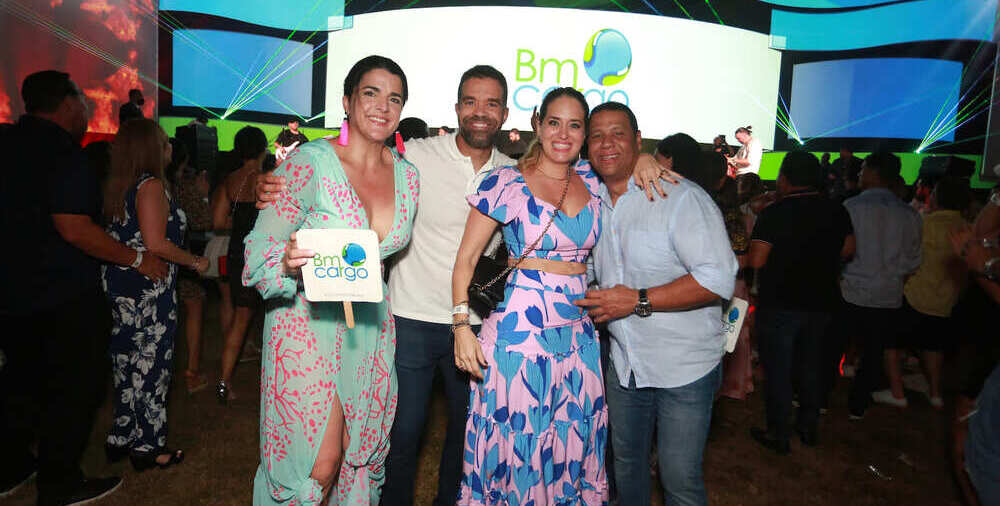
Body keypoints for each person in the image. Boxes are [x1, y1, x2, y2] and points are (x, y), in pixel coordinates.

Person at [244, 55, 419, 505]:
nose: (382, 106)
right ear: (346, 101)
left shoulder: (408, 176)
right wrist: (286, 263)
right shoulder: (310, 162)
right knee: (316, 466)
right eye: (370, 93)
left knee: (357, 455)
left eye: (394, 98)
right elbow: (259, 249)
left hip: (369, 330)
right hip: (306, 326)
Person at [0, 70, 164, 506]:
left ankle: (10, 465)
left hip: (11, 292)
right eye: (83, 101)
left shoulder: (8, 143)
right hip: (60, 295)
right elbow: (74, 227)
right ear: (69, 102)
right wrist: (135, 258)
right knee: (74, 388)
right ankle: (59, 484)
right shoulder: (62, 152)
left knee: (20, 382)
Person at [451, 87, 608, 505]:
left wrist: (645, 160)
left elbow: (630, 165)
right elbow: (466, 260)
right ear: (538, 123)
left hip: (577, 341)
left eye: (574, 125)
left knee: (571, 440)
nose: (563, 134)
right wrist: (461, 327)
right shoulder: (506, 182)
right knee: (521, 443)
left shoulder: (593, 181)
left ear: (585, 132)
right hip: (521, 338)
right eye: (554, 122)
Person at [579, 122, 737, 506]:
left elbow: (717, 278)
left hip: (684, 367)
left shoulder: (680, 196)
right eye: (597, 135)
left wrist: (637, 300)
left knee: (678, 478)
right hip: (626, 364)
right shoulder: (591, 200)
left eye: (618, 133)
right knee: (627, 466)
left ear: (638, 140)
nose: (607, 143)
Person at [101, 118, 209, 470]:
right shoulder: (150, 186)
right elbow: (156, 243)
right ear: (151, 149)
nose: (170, 147)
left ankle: (122, 436)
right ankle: (148, 446)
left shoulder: (120, 185)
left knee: (125, 361)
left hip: (123, 284)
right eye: (164, 142)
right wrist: (195, 261)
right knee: (152, 365)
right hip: (148, 288)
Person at [746, 151, 855, 454]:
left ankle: (779, 433)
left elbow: (757, 259)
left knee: (779, 370)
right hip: (822, 301)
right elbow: (848, 250)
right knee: (812, 366)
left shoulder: (775, 212)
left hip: (781, 302)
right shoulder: (836, 210)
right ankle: (808, 426)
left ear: (785, 178)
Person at [839, 151, 922, 419]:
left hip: (851, 291)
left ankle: (820, 400)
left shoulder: (851, 207)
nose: (859, 173)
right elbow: (913, 260)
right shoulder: (910, 215)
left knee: (835, 343)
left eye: (863, 169)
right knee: (873, 353)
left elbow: (841, 250)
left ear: (874, 173)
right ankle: (858, 406)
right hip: (888, 294)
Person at [878, 176, 971, 409]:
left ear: (937, 197)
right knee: (933, 347)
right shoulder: (968, 229)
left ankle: (897, 393)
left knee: (890, 343)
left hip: (914, 295)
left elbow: (905, 258)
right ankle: (936, 394)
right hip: (945, 301)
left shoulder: (924, 223)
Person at [214, 126, 270, 404]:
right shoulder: (267, 180)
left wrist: (239, 224)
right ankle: (275, 386)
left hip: (238, 254)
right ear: (263, 149)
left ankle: (224, 382)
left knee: (240, 318)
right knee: (272, 320)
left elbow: (217, 222)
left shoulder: (230, 180)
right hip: (264, 255)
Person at [168, 139, 213, 394]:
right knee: (194, 306)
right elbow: (204, 220)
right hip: (181, 259)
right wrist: (204, 194)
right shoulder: (184, 187)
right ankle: (191, 372)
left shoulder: (149, 182)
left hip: (154, 261)